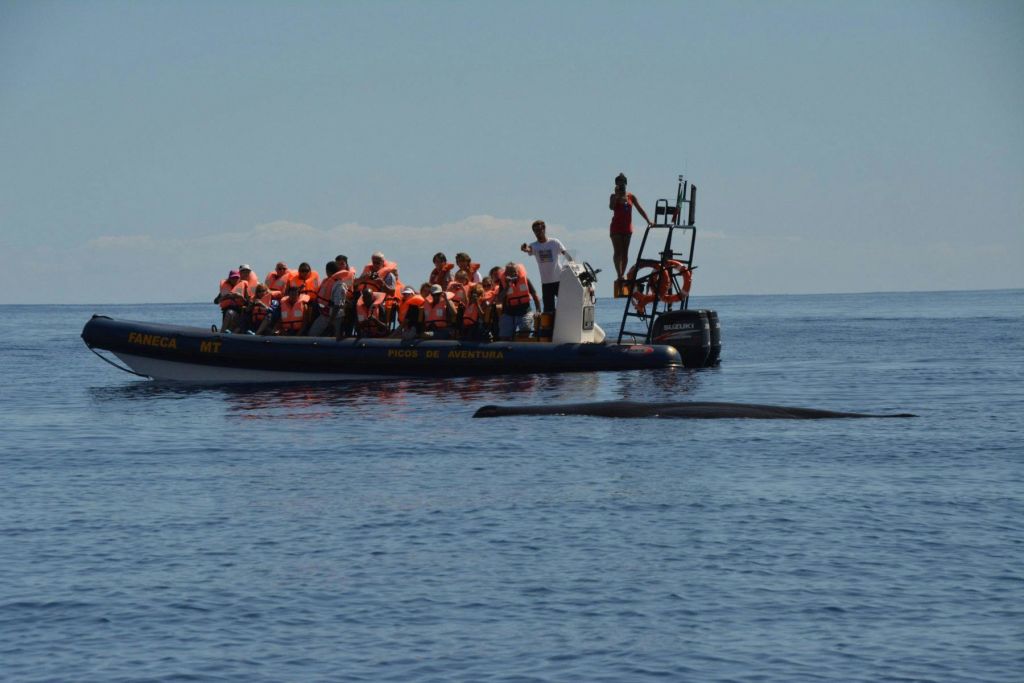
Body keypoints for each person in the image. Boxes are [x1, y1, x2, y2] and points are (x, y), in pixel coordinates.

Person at [609, 172, 652, 290]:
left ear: (626, 183)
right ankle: (620, 275)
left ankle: (622, 273)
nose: (621, 185)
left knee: (625, 253)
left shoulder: (631, 197)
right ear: (616, 184)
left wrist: (648, 220)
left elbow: (640, 209)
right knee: (617, 252)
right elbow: (611, 207)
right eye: (619, 183)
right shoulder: (614, 196)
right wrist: (617, 196)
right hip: (616, 227)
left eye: (623, 182)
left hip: (627, 228)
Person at [520, 219, 569, 312]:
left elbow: (566, 255)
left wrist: (572, 264)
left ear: (544, 229)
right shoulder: (534, 246)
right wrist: (524, 248)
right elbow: (528, 249)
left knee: (566, 304)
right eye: (535, 231)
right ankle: (551, 325)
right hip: (546, 283)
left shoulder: (554, 242)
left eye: (539, 230)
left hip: (559, 280)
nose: (537, 232)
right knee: (548, 309)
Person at [308, 261, 352, 337]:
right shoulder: (327, 281)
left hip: (336, 317)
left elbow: (338, 305)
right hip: (325, 314)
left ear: (327, 271)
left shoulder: (339, 285)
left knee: (336, 337)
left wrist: (331, 320)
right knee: (312, 334)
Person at [497, 262, 540, 340]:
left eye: (513, 272)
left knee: (525, 331)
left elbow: (534, 294)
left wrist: (538, 309)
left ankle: (520, 345)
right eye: (509, 273)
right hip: (509, 312)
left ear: (517, 272)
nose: (511, 275)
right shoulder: (503, 282)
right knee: (504, 334)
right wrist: (507, 286)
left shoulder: (525, 279)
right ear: (506, 274)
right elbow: (499, 299)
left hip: (525, 311)